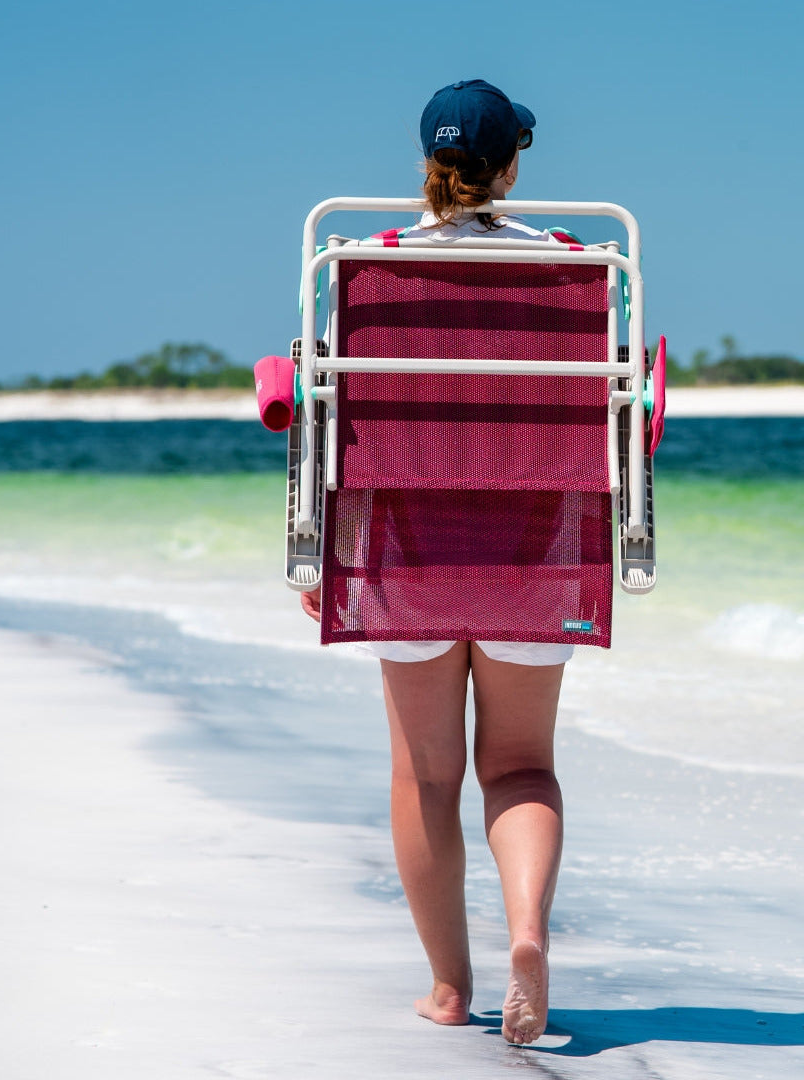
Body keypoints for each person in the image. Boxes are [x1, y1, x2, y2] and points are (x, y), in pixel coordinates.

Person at [302, 79, 570, 1047]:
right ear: (510, 167)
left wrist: (314, 558)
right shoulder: (574, 267)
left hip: (405, 546)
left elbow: (328, 425)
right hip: (533, 550)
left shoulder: (363, 266)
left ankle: (450, 989)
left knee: (425, 776)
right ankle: (529, 932)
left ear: (427, 165)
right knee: (522, 765)